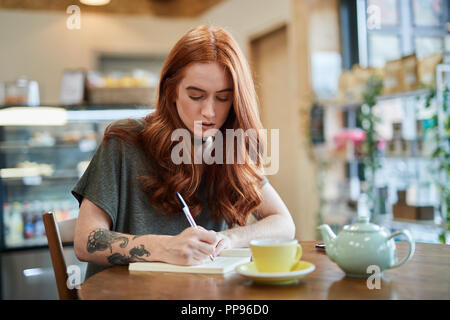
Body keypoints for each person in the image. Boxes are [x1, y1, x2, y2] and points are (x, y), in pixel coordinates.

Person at [72, 25, 295, 279]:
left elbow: (284, 223)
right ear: (171, 91)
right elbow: (85, 240)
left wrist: (227, 239)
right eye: (196, 96)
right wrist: (165, 247)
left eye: (222, 98)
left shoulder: (228, 147)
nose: (209, 112)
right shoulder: (124, 141)